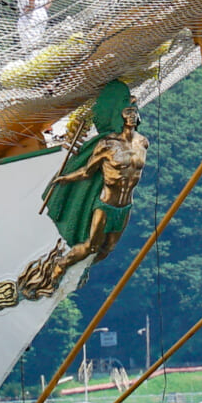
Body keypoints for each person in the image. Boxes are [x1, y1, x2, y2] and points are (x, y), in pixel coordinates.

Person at [44, 81, 148, 280]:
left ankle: (79, 267)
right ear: (120, 115)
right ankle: (61, 266)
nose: (132, 116)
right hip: (106, 203)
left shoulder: (142, 143)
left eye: (134, 112)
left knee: (108, 247)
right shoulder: (107, 144)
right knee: (92, 244)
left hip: (125, 206)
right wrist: (65, 178)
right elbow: (87, 171)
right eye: (127, 112)